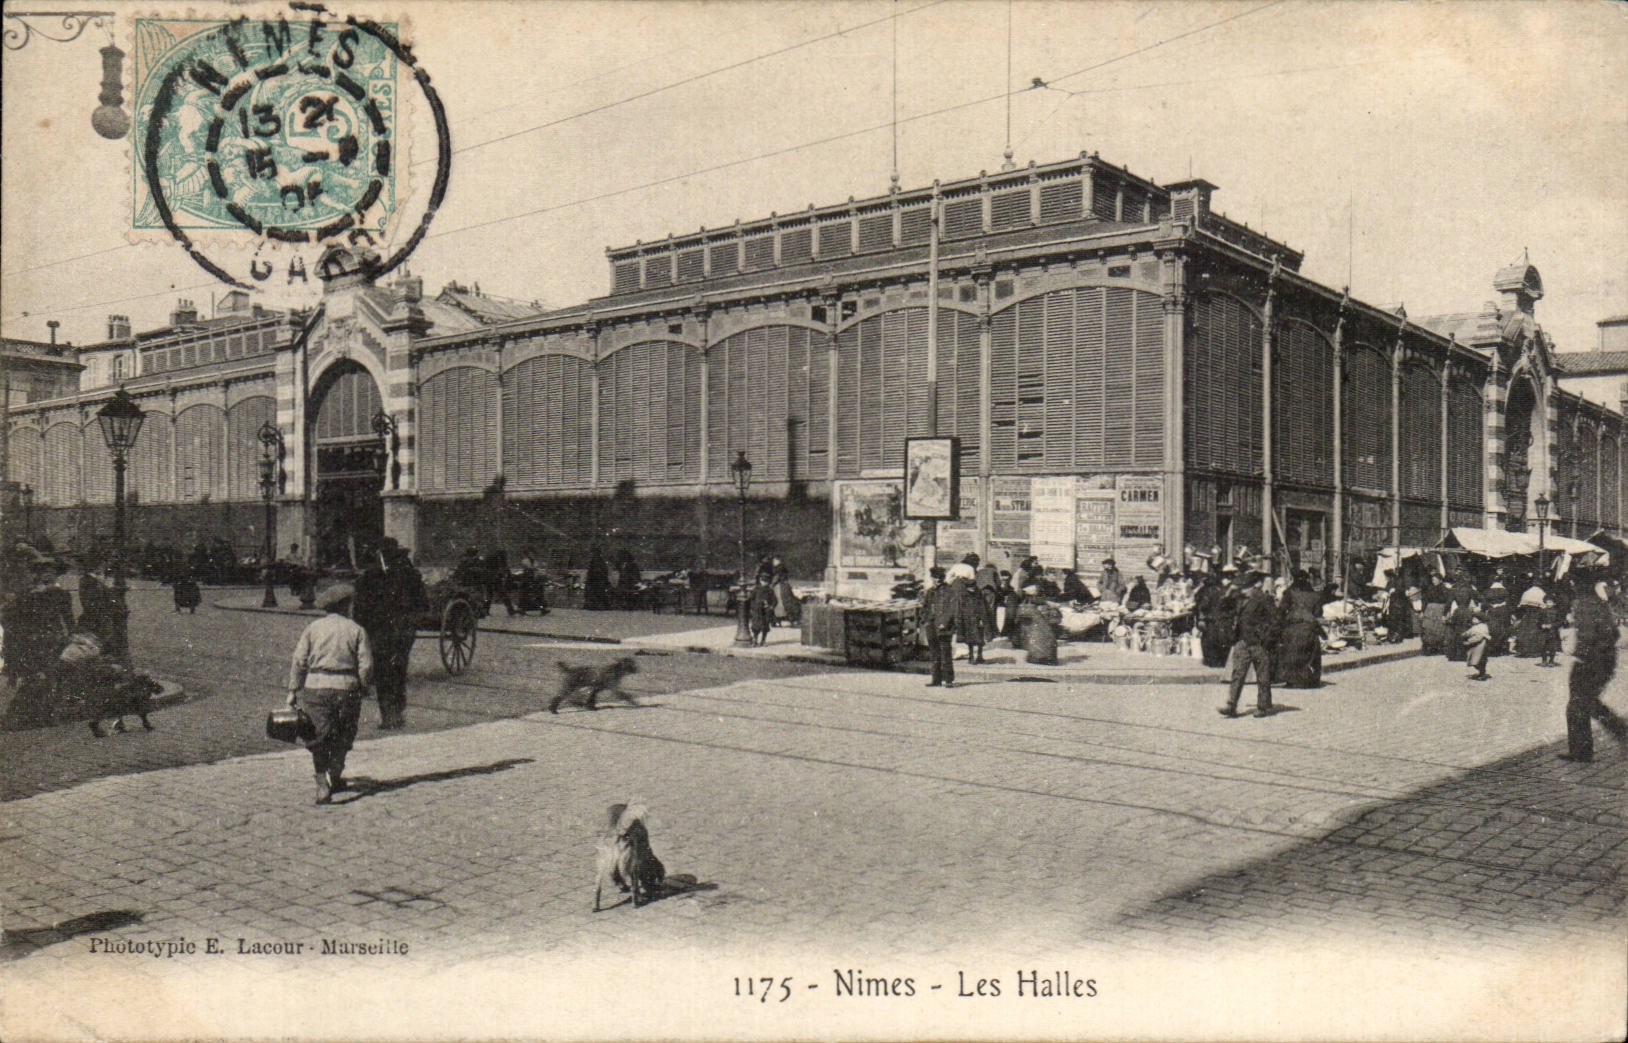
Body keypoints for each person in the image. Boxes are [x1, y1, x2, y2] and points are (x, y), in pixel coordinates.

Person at [285, 584, 374, 804]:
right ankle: (335, 774)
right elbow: (366, 665)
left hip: (316, 687)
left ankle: (321, 782)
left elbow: (299, 661)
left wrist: (293, 690)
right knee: (344, 733)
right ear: (345, 606)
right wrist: (363, 685)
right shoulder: (356, 630)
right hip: (347, 688)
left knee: (320, 735)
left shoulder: (313, 628)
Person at [353, 539, 428, 730]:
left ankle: (389, 714)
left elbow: (360, 610)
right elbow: (423, 605)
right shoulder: (409, 574)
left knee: (384, 671)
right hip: (399, 630)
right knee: (398, 669)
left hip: (383, 631)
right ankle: (396, 712)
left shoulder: (370, 576)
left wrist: (365, 627)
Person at [1559, 571, 1627, 763]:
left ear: (1578, 585)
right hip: (1605, 660)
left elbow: (1589, 636)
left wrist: (1580, 652)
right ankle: (1587, 748)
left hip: (1591, 661)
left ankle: (1582, 751)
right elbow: (1613, 633)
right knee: (1590, 704)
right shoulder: (1598, 603)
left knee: (1577, 706)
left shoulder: (1583, 604)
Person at [1220, 566, 1278, 718]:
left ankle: (1262, 706)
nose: (1242, 591)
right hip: (1242, 641)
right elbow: (1222, 608)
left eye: (1244, 588)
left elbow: (1275, 621)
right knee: (1238, 673)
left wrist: (1266, 639)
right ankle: (1231, 705)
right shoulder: (1239, 599)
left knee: (1262, 676)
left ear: (1253, 587)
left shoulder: (1264, 599)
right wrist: (1228, 594)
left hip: (1258, 643)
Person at [1276, 570, 1323, 688]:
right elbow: (1318, 613)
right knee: (1310, 655)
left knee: (1292, 654)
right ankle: (1310, 680)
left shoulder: (1289, 593)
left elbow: (1281, 610)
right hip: (1309, 627)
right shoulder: (1315, 596)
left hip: (1293, 626)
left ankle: (1292, 680)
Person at [921, 566, 959, 688]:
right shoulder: (930, 591)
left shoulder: (949, 591)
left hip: (944, 627)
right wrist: (925, 620)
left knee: (945, 653)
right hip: (931, 625)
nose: (936, 580)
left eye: (938, 578)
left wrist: (945, 622)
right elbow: (925, 607)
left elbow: (952, 609)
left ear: (942, 578)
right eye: (934, 578)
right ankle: (936, 679)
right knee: (934, 653)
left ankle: (948, 680)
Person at [948, 560, 985, 664]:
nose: (971, 590)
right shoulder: (965, 597)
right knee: (971, 640)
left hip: (977, 620)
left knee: (980, 639)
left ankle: (979, 655)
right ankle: (972, 657)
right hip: (969, 620)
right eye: (970, 588)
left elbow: (983, 608)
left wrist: (983, 619)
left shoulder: (978, 595)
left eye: (973, 587)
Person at [1193, 570, 1228, 668]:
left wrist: (1201, 618)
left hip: (1210, 619)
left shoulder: (1207, 591)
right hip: (1220, 618)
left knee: (1209, 641)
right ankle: (1220, 662)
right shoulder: (1223, 590)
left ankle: (1211, 661)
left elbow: (1202, 605)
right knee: (1219, 640)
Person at [975, 557, 1001, 640]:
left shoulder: (979, 572)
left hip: (979, 592)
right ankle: (993, 633)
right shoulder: (994, 571)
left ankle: (982, 634)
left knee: (981, 612)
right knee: (991, 612)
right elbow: (998, 583)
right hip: (990, 592)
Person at [747, 572, 776, 645]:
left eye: (766, 581)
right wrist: (753, 607)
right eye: (763, 581)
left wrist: (770, 606)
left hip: (766, 611)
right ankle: (755, 639)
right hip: (757, 610)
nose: (764, 583)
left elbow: (775, 600)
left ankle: (763, 640)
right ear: (760, 580)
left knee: (765, 626)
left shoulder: (770, 590)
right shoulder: (756, 589)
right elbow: (751, 599)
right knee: (756, 626)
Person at [1463, 612, 1491, 681]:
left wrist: (1468, 641)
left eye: (1475, 619)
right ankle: (1482, 673)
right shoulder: (1479, 626)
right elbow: (1469, 632)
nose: (1473, 620)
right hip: (1479, 647)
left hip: (1479, 647)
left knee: (1477, 661)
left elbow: (1477, 637)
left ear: (1480, 620)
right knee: (1479, 660)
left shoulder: (1480, 627)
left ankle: (1482, 674)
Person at [1539, 595, 1563, 667]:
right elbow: (1538, 621)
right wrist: (1541, 625)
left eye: (1550, 602)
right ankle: (1544, 660)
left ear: (1554, 603)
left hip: (1553, 632)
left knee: (1552, 647)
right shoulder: (1542, 611)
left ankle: (1551, 661)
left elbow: (1560, 622)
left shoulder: (1557, 612)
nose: (1548, 604)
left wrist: (1552, 625)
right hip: (1544, 632)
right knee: (1543, 646)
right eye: (1547, 602)